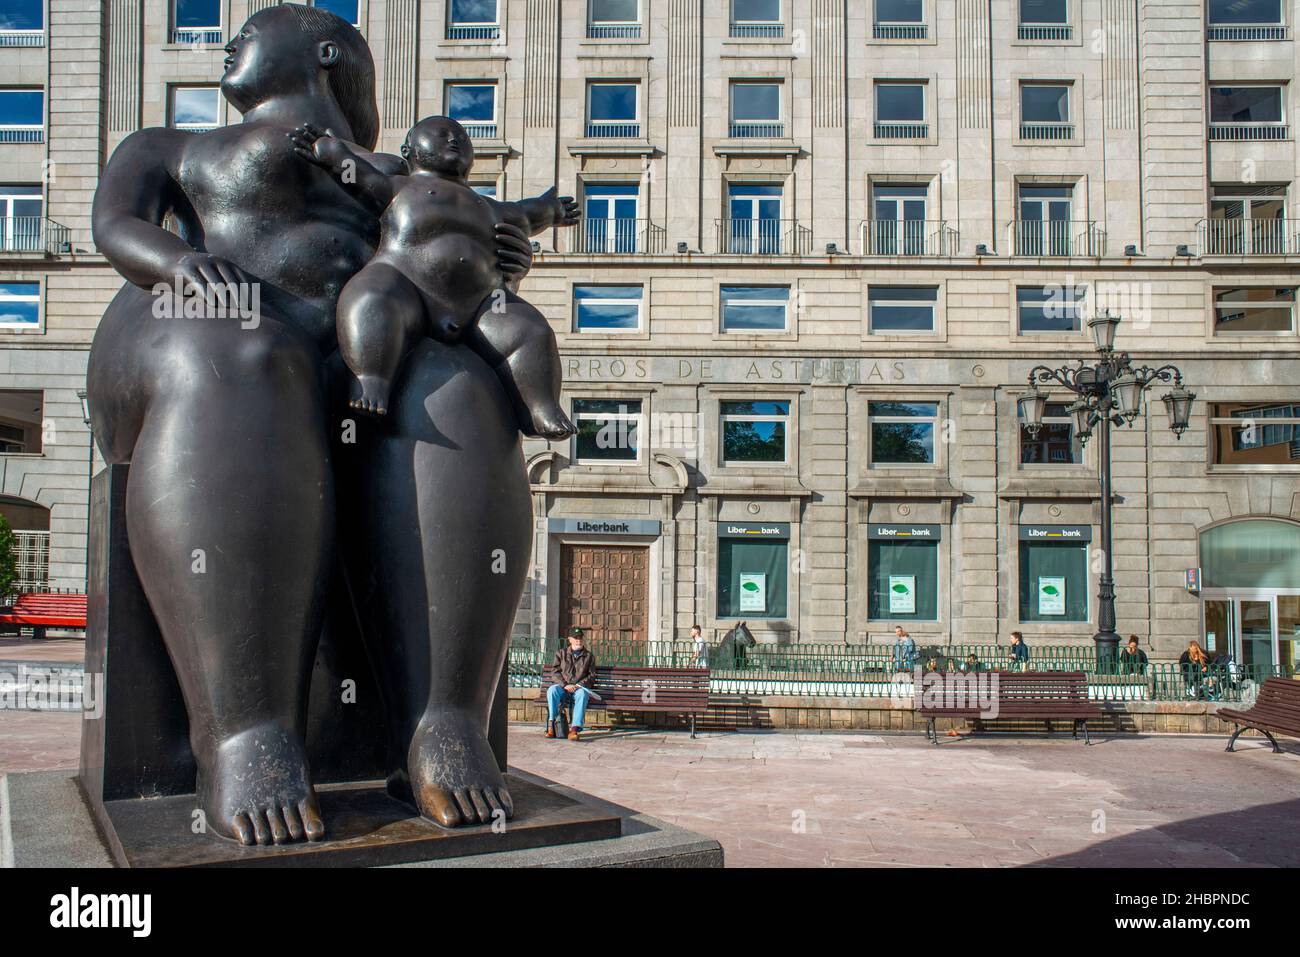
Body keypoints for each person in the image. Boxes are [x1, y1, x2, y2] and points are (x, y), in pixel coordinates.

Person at [86, 4, 538, 841]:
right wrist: (184, 263)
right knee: (249, 355)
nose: (230, 42)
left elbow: (454, 243)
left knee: (457, 385)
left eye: (251, 30)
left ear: (326, 54)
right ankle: (245, 730)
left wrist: (503, 254)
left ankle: (444, 722)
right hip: (193, 328)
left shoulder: (394, 172)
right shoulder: (168, 148)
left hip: (349, 349)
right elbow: (115, 225)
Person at [292, 116, 580, 434]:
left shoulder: (491, 207)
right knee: (372, 299)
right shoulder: (400, 188)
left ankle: (541, 408)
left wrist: (553, 208)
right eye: (442, 134)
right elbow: (359, 176)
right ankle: (371, 379)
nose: (454, 139)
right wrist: (329, 151)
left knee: (530, 331)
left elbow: (530, 211)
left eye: (460, 136)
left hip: (483, 304)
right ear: (408, 150)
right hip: (406, 284)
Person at [546, 628, 598, 741]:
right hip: (563, 686)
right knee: (552, 690)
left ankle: (574, 729)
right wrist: (565, 685)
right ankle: (552, 725)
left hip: (578, 687)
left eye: (580, 638)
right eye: (576, 638)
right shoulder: (561, 653)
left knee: (582, 695)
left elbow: (592, 675)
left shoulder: (589, 656)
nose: (578, 640)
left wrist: (579, 685)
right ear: (570, 639)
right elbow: (555, 672)